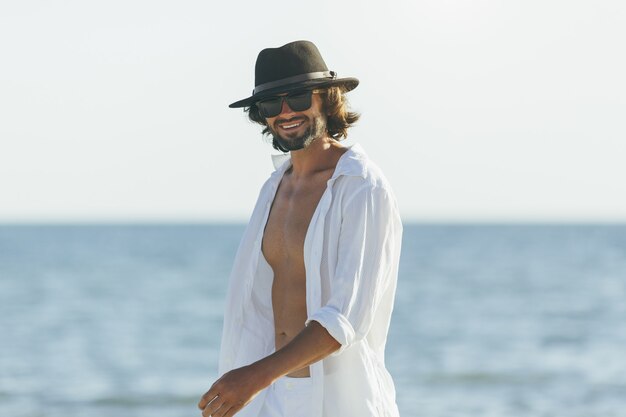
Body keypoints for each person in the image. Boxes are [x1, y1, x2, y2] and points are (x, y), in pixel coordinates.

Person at [198, 40, 403, 417]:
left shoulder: (362, 188)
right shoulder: (274, 188)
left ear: (325, 98)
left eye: (297, 96)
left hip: (341, 401)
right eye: (272, 104)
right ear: (262, 114)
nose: (286, 111)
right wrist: (253, 382)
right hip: (272, 399)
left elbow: (346, 317)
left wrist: (253, 377)